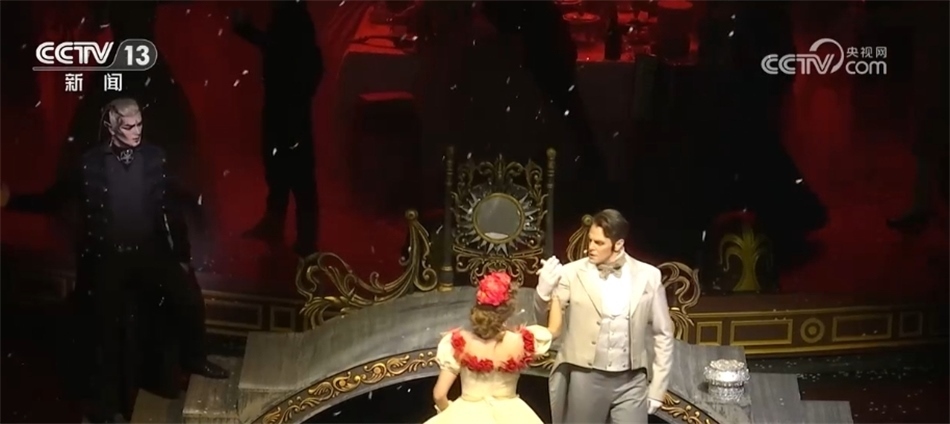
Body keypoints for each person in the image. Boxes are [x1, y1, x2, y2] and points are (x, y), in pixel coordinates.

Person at [2, 98, 228, 423]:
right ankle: (106, 407)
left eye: (139, 124)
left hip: (150, 252)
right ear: (111, 126)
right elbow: (55, 198)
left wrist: (181, 255)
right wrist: (12, 201)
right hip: (108, 258)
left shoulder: (154, 158)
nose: (136, 131)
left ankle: (194, 358)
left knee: (188, 299)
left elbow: (171, 209)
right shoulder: (89, 165)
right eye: (128, 126)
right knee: (105, 332)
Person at [534, 208, 675, 423]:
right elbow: (547, 328)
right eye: (590, 240)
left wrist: (658, 388)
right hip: (586, 378)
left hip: (632, 380)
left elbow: (663, 333)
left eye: (599, 243)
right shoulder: (571, 273)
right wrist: (543, 293)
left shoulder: (649, 276)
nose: (590, 247)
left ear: (618, 244)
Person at [231, 1, 323, 257]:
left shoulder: (294, 16)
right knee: (277, 165)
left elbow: (286, 53)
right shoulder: (287, 13)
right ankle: (276, 223)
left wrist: (247, 30)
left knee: (298, 172)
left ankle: (306, 240)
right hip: (281, 100)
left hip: (290, 104)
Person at [426, 272, 552, 424]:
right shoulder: (521, 342)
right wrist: (556, 295)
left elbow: (439, 395)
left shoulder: (459, 342)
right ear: (509, 309)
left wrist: (451, 415)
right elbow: (554, 330)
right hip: (513, 415)